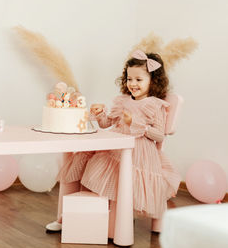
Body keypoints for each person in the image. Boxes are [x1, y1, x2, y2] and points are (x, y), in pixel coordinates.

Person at [46, 50, 181, 233]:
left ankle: (98, 219)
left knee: (98, 167)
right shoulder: (123, 100)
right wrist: (101, 113)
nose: (132, 84)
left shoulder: (154, 105)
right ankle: (75, 216)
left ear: (153, 81)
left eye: (138, 80)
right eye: (129, 79)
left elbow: (159, 135)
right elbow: (107, 124)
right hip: (116, 146)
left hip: (138, 152)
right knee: (86, 160)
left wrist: (136, 123)